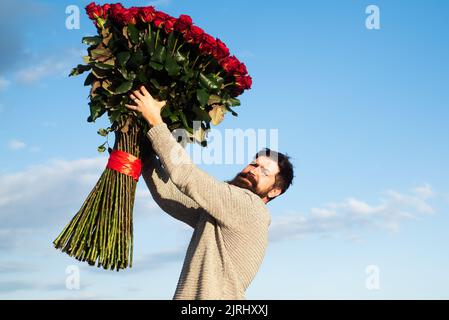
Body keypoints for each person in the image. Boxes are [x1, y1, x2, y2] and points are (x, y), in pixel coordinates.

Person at [126, 86, 294, 300]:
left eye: (264, 171)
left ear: (275, 191)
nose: (253, 171)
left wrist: (155, 122)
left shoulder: (250, 206)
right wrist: (147, 158)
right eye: (253, 164)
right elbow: (171, 197)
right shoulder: (222, 214)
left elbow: (187, 176)